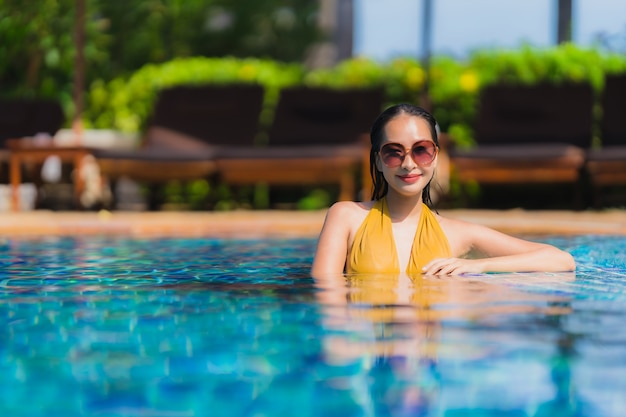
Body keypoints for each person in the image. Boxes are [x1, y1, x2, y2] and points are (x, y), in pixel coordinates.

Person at [311, 103, 576, 277]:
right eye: (393, 153)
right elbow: (325, 292)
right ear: (379, 161)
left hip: (430, 349)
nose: (408, 164)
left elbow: (561, 260)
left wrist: (477, 265)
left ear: (435, 157)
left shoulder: (458, 234)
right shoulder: (346, 216)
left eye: (421, 151)